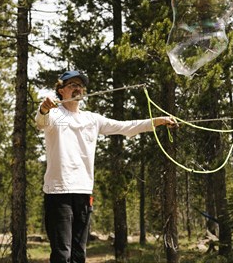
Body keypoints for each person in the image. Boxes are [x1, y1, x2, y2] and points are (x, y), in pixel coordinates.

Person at [36, 70, 175, 263]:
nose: (77, 88)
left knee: (78, 254)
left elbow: (126, 127)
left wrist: (157, 121)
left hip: (83, 192)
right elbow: (41, 121)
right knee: (62, 254)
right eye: (72, 85)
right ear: (61, 91)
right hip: (58, 192)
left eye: (80, 85)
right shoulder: (54, 114)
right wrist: (44, 109)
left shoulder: (93, 119)